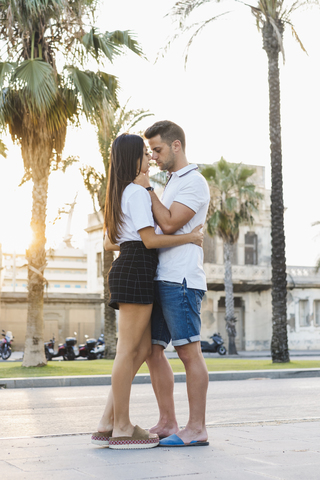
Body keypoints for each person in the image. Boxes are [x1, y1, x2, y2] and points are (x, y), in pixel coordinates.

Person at [91, 133, 204, 450]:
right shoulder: (137, 193)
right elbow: (151, 241)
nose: (150, 158)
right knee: (128, 350)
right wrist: (190, 238)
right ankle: (122, 427)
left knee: (138, 351)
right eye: (144, 152)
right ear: (133, 159)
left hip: (133, 266)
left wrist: (135, 240)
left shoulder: (122, 192)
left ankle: (107, 422)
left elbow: (112, 240)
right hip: (138, 268)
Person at [134, 120, 210, 447]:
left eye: (158, 149)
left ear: (176, 145)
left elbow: (166, 224)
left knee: (188, 352)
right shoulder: (173, 183)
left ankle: (197, 428)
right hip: (162, 277)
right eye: (150, 150)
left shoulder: (194, 182)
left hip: (181, 281)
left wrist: (147, 188)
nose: (153, 156)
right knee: (153, 351)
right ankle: (168, 422)